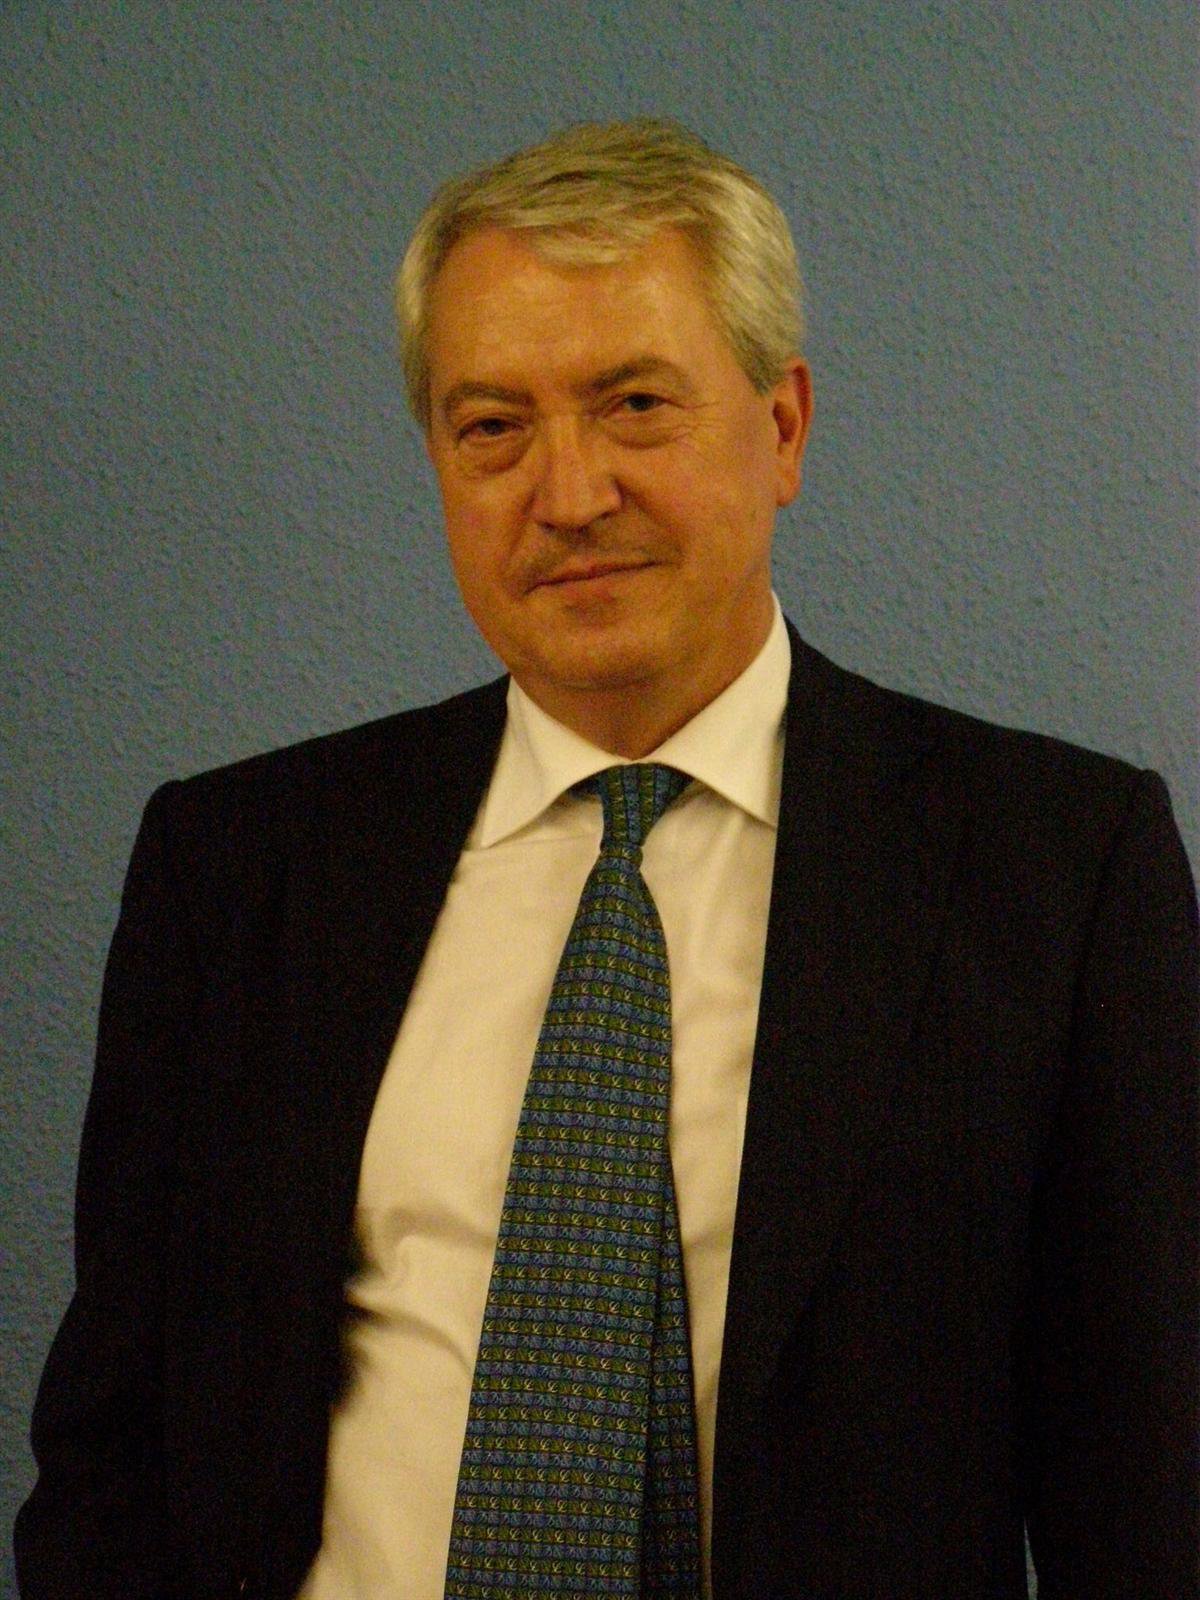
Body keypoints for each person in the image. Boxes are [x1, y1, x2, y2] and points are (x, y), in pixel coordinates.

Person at [15, 119, 1198, 1600]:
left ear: (783, 428)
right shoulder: (239, 868)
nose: (568, 494)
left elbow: (1150, 1492)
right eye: (492, 427)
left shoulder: (1055, 870)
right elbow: (114, 1455)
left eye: (635, 405)